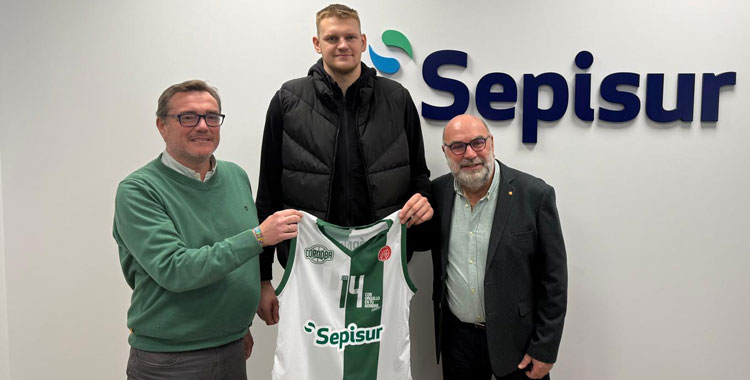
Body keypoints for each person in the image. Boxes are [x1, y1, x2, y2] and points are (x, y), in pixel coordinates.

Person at [255, 3, 433, 325]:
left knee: (374, 362)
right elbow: (268, 189)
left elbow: (419, 173)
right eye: (332, 37)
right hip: (309, 263)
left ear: (363, 42)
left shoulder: (397, 98)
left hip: (380, 263)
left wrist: (423, 199)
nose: (342, 45)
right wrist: (262, 276)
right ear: (316, 43)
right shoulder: (287, 100)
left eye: (350, 37)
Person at [113, 80, 301, 380]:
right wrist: (259, 237)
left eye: (212, 117)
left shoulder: (235, 176)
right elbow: (175, 269)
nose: (203, 126)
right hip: (171, 359)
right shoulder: (138, 190)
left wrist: (243, 320)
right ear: (162, 126)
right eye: (188, 117)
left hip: (232, 347)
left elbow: (238, 260)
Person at [426, 114, 567, 379]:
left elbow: (554, 280)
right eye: (457, 146)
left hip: (518, 342)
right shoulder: (438, 193)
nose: (469, 154)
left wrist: (546, 348)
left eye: (477, 142)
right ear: (445, 152)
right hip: (458, 342)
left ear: (491, 142)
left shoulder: (534, 195)